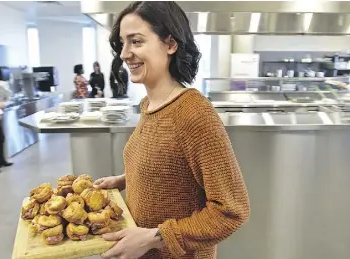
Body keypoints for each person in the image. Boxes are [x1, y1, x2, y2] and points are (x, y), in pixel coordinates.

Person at [93, 2, 250, 259]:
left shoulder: (194, 113)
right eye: (122, 43)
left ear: (170, 44)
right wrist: (126, 179)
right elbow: (169, 165)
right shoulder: (149, 104)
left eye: (136, 41)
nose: (124, 53)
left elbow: (231, 211)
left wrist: (156, 237)